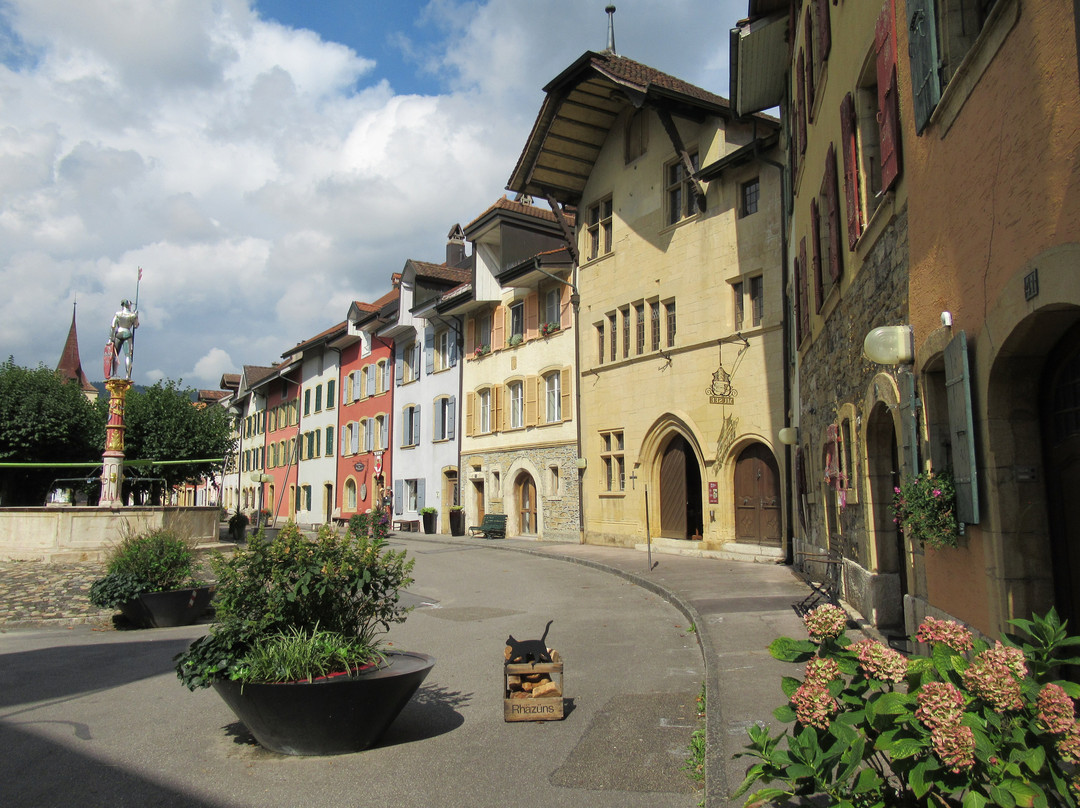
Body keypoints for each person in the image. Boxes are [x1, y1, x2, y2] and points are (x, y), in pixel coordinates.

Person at [108, 299, 139, 379]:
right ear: (129, 305)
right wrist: (136, 316)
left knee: (115, 354)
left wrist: (110, 338)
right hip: (127, 333)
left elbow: (113, 326)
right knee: (128, 355)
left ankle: (114, 373)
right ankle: (127, 375)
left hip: (119, 333)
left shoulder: (118, 314)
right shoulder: (132, 315)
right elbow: (136, 326)